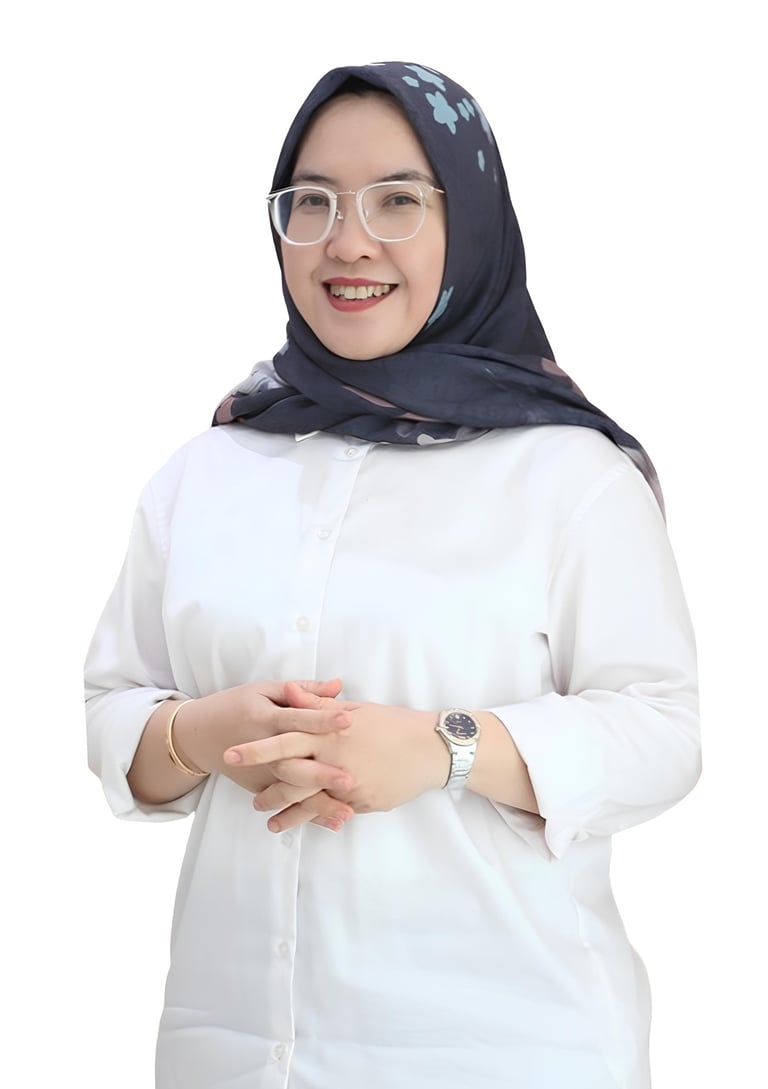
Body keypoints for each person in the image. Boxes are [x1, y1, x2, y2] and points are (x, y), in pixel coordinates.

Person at [85, 60, 700, 1089]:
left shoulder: (568, 475)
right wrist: (201, 733)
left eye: (399, 201)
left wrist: (443, 748)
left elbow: (663, 732)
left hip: (505, 1049)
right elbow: (113, 710)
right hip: (233, 1052)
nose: (348, 241)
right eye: (312, 201)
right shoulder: (207, 471)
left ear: (473, 223)